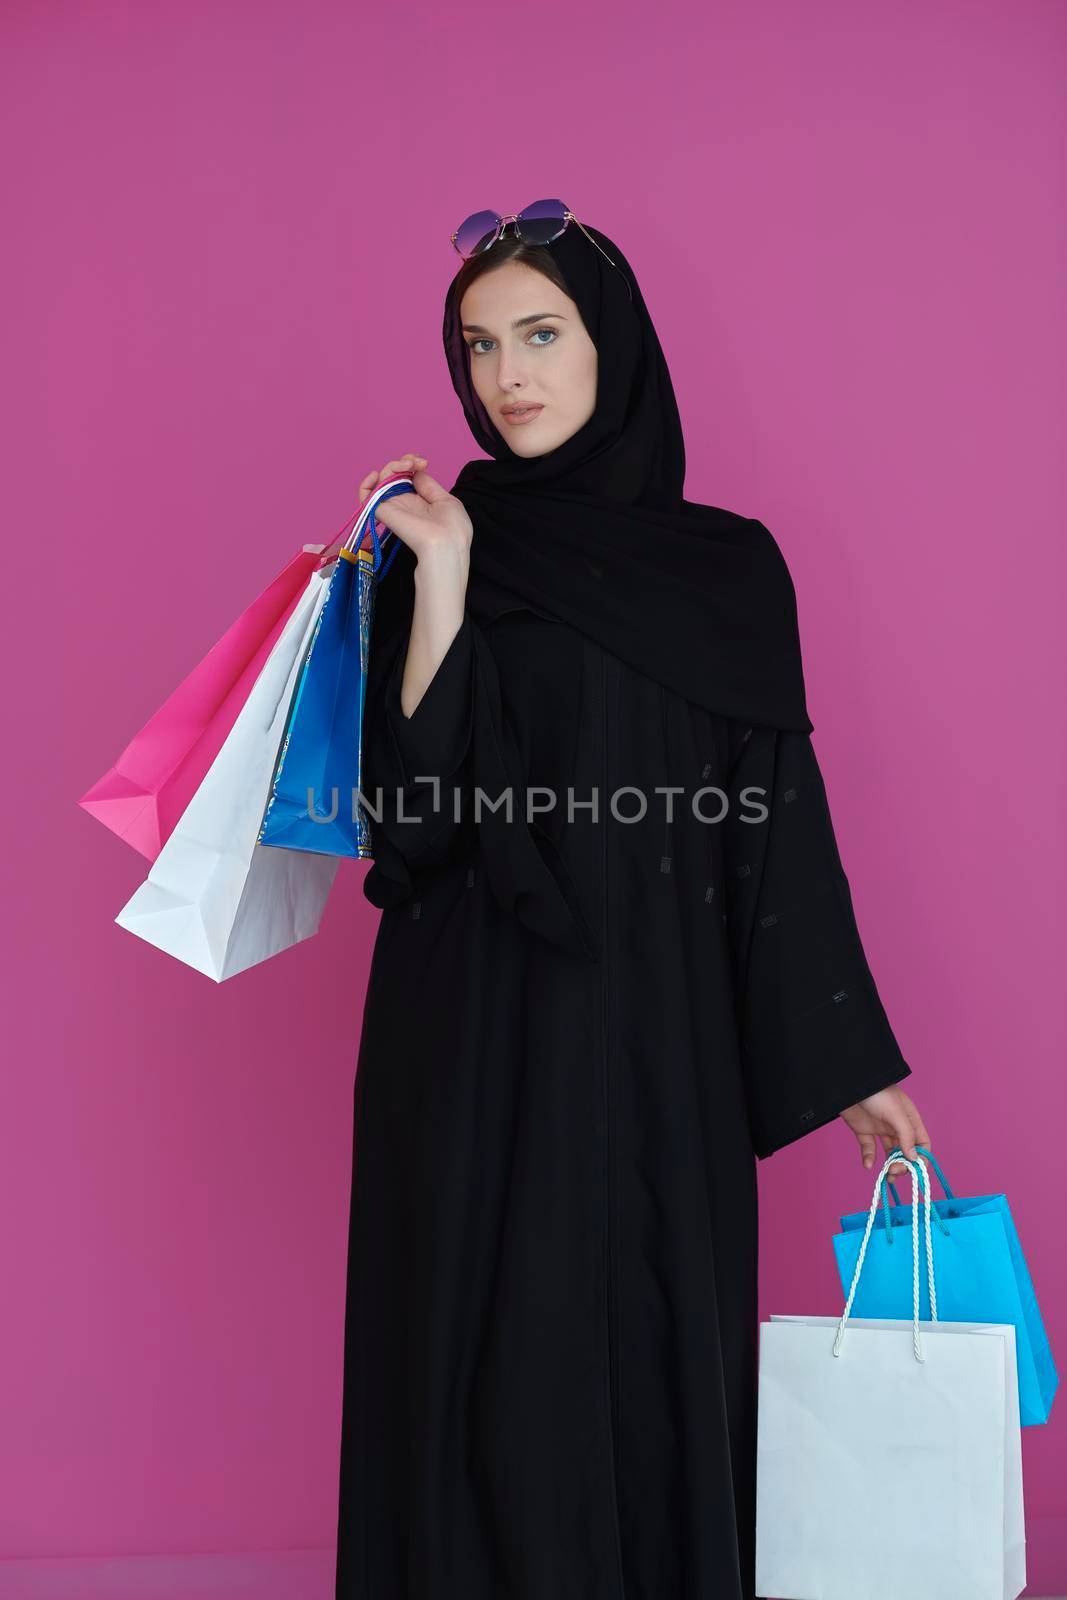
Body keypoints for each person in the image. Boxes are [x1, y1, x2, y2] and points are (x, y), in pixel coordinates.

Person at [334, 207, 931, 1600]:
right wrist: (442, 588)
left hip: (661, 1039)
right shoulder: (436, 541)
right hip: (472, 1028)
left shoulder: (728, 571)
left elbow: (776, 828)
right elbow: (409, 825)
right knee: (484, 1352)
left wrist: (856, 1063)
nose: (508, 377)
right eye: (481, 347)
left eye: (541, 336)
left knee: (657, 1342)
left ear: (616, 347)